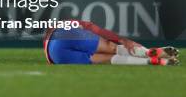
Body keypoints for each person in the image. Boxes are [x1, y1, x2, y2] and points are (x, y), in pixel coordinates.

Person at [44, 20, 178, 66]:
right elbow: (99, 31)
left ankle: (150, 61)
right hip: (63, 35)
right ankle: (148, 52)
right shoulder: (70, 25)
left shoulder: (48, 43)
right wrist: (123, 40)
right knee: (111, 47)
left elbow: (50, 61)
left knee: (106, 59)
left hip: (54, 56)